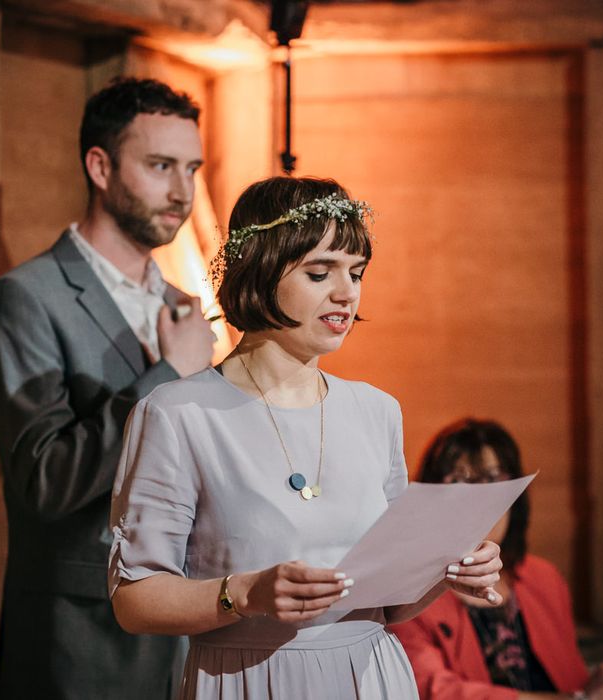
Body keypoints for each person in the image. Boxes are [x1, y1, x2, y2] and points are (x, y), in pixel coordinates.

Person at [108, 176, 504, 699]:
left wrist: (447, 567)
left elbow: (389, 602)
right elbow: (134, 601)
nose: (347, 292)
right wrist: (246, 593)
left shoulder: (376, 410)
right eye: (320, 273)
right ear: (261, 270)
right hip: (249, 678)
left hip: (373, 676)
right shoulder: (178, 414)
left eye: (357, 273)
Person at [0, 78, 215, 699]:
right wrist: (167, 377)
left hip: (187, 629)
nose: (182, 191)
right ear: (100, 166)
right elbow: (44, 479)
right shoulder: (26, 298)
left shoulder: (183, 307)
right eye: (161, 166)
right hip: (79, 637)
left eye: (191, 168)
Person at [389, 418, 603, 700]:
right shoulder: (409, 595)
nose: (480, 500)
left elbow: (568, 677)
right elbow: (435, 691)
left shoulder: (542, 577)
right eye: (460, 481)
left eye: (494, 480)